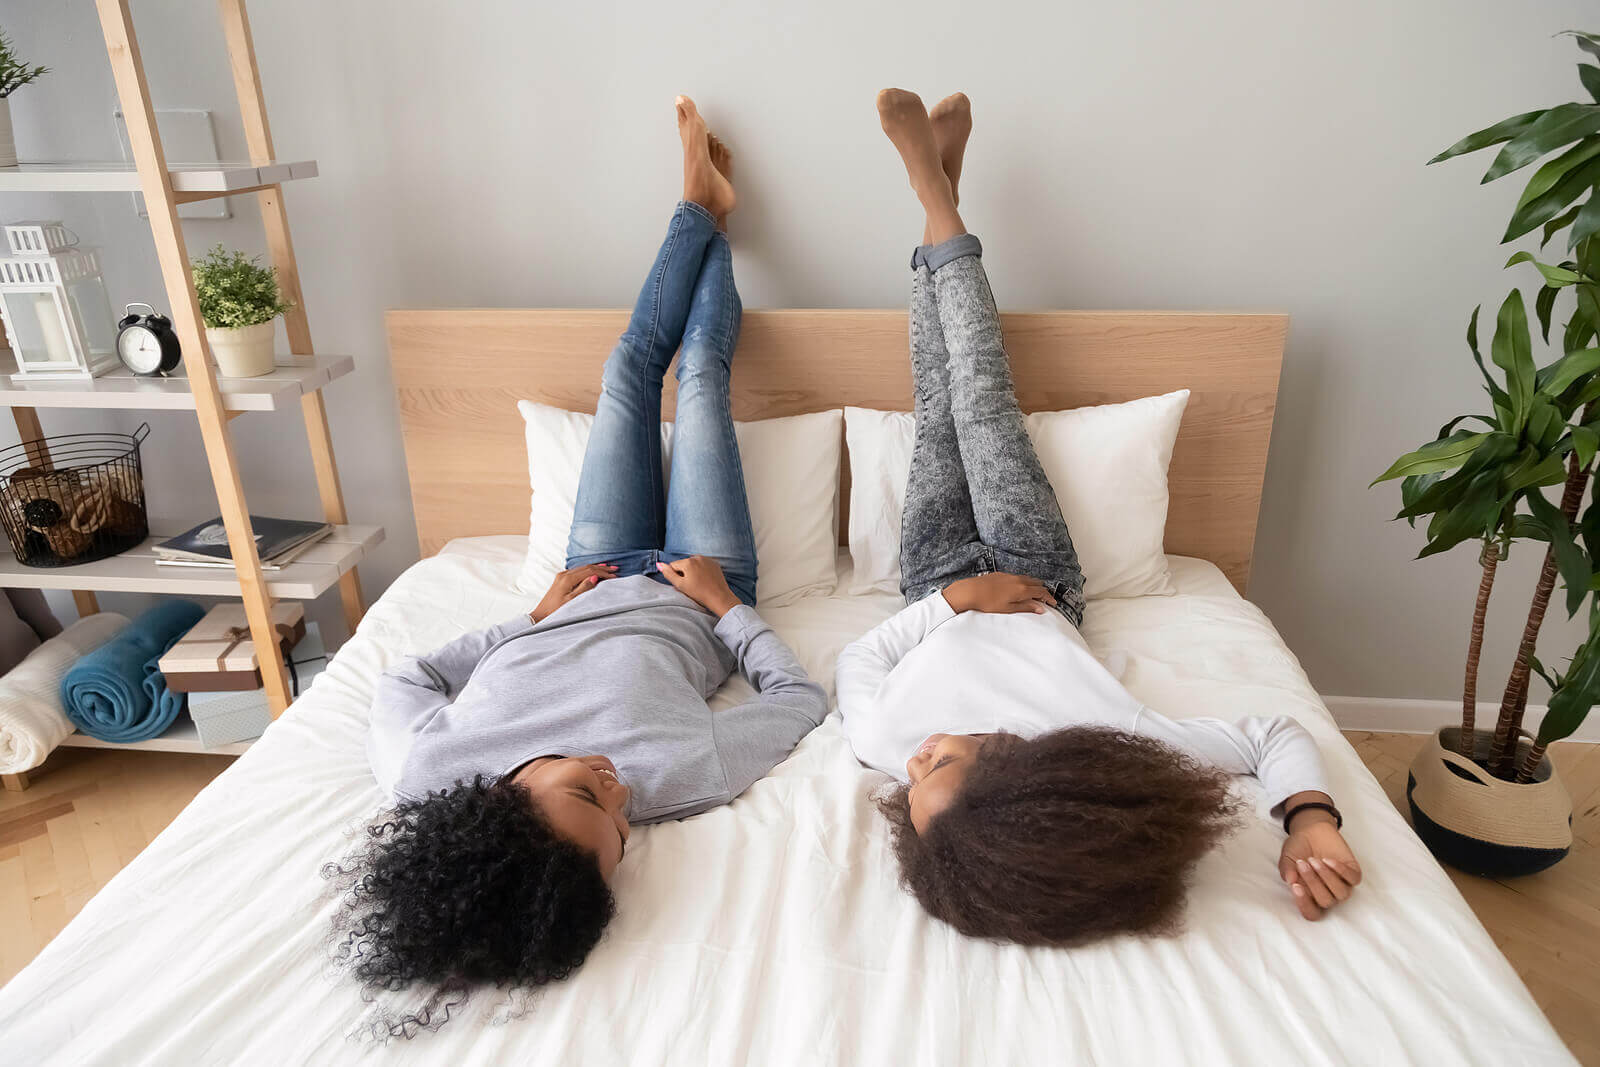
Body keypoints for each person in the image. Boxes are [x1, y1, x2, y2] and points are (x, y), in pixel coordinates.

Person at [329, 97, 827, 1019]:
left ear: (506, 794)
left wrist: (534, 619)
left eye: (582, 790)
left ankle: (698, 204)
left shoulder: (424, 769)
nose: (615, 780)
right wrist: (727, 609)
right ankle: (708, 214)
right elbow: (802, 702)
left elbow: (409, 674)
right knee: (704, 380)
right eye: (621, 826)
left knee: (629, 368)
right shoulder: (681, 777)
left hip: (590, 572)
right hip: (697, 584)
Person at [835, 89, 1361, 947]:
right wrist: (1307, 817)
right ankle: (936, 199)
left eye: (914, 783)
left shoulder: (884, 740)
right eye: (944, 764)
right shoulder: (1110, 742)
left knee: (934, 407)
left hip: (939, 582)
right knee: (976, 394)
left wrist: (955, 602)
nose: (918, 754)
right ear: (1012, 772)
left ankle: (941, 196)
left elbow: (864, 655)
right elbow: (1271, 734)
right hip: (1035, 570)